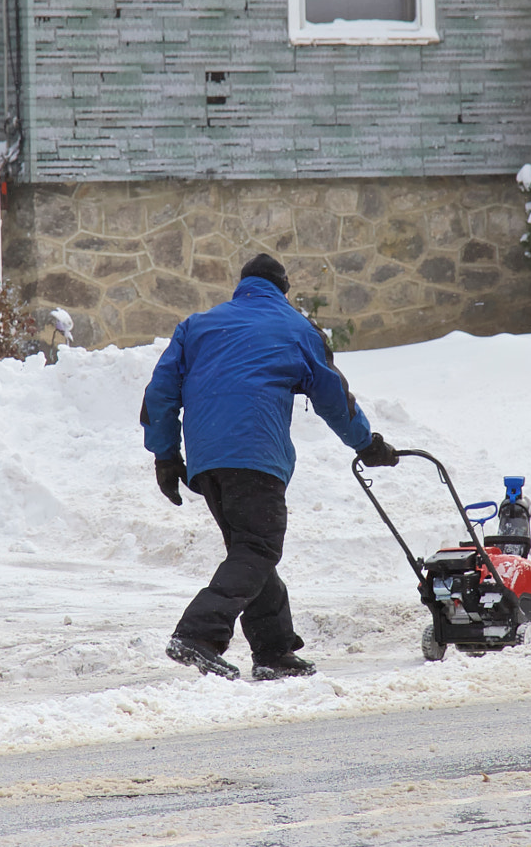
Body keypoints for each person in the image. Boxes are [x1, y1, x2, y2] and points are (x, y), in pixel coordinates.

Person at [142, 253, 399, 681]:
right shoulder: (297, 328)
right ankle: (199, 634)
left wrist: (166, 457)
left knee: (250, 550)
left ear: (241, 286)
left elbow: (161, 393)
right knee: (257, 549)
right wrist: (367, 443)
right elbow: (333, 396)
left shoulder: (196, 326)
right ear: (283, 289)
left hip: (207, 462)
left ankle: (274, 651)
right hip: (256, 456)